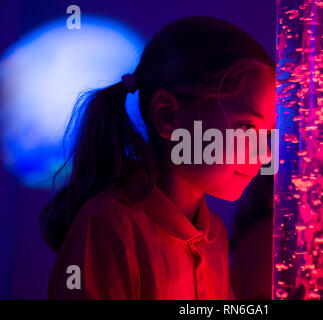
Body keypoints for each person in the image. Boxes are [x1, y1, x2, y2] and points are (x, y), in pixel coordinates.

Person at [40, 16, 275, 299]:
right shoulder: (107, 228)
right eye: (247, 127)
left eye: (267, 133)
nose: (264, 154)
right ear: (168, 116)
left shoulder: (215, 237)